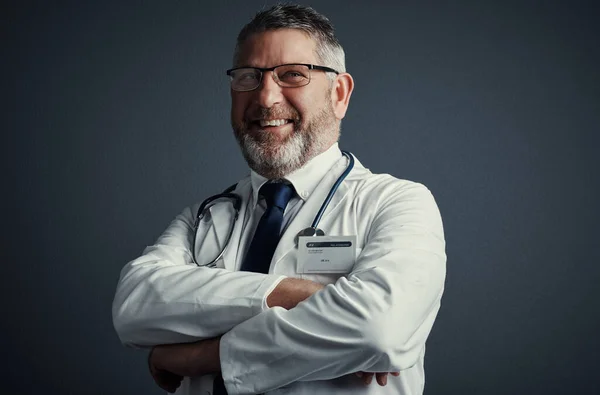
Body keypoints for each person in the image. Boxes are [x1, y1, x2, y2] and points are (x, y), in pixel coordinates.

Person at [112, 3, 446, 395]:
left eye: (292, 75)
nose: (266, 97)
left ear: (339, 94)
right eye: (248, 77)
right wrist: (288, 293)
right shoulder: (205, 217)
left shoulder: (397, 203)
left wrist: (197, 356)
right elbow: (133, 307)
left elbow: (378, 329)